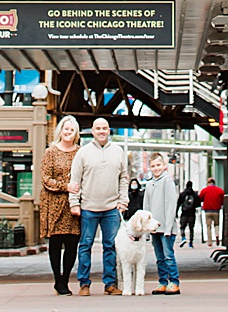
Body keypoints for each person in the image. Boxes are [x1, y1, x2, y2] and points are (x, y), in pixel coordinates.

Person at [68, 117, 129, 295]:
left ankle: (110, 284)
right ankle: (84, 284)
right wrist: (75, 203)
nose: (101, 131)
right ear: (93, 131)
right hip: (88, 207)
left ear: (109, 130)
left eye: (105, 128)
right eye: (98, 128)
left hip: (112, 208)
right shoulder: (83, 153)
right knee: (85, 245)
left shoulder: (118, 151)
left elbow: (123, 179)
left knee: (110, 246)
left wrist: (122, 202)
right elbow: (75, 180)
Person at [38, 115, 83, 294]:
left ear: (76, 133)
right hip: (53, 203)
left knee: (72, 243)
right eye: (66, 129)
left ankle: (65, 278)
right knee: (56, 243)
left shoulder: (80, 152)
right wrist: (65, 186)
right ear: (60, 131)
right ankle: (58, 279)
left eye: (72, 130)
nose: (68, 133)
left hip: (73, 204)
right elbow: (45, 178)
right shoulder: (51, 152)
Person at [141, 153, 184, 293]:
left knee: (168, 255)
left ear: (164, 165)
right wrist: (146, 229)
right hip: (154, 228)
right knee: (159, 257)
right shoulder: (149, 184)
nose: (156, 168)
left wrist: (169, 227)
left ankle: (174, 281)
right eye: (153, 166)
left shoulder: (167, 181)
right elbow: (146, 207)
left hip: (166, 228)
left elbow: (171, 205)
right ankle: (162, 281)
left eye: (158, 165)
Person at [198, 176, 224, 245]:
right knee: (216, 224)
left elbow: (200, 198)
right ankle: (217, 234)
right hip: (216, 211)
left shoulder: (204, 190)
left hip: (207, 211)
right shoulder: (220, 190)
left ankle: (210, 242)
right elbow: (222, 201)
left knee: (208, 226)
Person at [176, 180, 200, 245]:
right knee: (191, 229)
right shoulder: (195, 194)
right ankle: (191, 242)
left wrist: (176, 213)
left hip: (184, 214)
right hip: (192, 214)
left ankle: (183, 237)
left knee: (182, 227)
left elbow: (178, 204)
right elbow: (198, 204)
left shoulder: (182, 194)